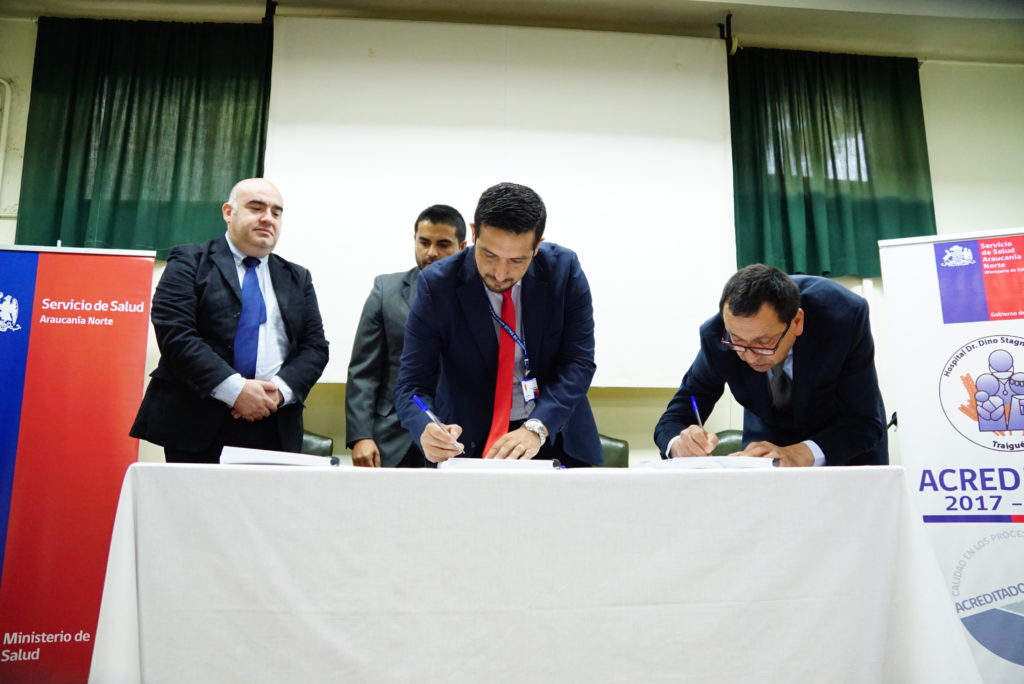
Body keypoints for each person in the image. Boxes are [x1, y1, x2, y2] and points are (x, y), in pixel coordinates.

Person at [394, 182, 602, 467]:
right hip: (469, 442)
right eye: (489, 255)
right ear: (474, 233)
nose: (501, 273)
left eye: (517, 260)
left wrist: (537, 427)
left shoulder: (563, 271)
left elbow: (578, 362)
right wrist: (425, 426)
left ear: (537, 247)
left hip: (553, 433)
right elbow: (412, 385)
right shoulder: (438, 285)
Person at [130, 178, 329, 463]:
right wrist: (235, 391)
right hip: (196, 422)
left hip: (274, 422)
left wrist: (278, 393)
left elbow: (315, 348)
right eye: (256, 208)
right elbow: (176, 335)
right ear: (228, 212)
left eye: (276, 212)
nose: (268, 218)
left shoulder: (297, 277)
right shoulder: (189, 261)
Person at [654, 264, 887, 466]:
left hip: (845, 448)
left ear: (797, 322)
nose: (750, 357)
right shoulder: (717, 336)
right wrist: (679, 443)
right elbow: (676, 415)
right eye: (738, 341)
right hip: (766, 452)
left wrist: (801, 453)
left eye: (763, 343)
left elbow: (863, 421)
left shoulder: (842, 318)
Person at [345, 205, 467, 467]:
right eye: (424, 242)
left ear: (463, 247)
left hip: (457, 437)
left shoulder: (479, 297)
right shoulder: (385, 290)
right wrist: (361, 435)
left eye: (443, 244)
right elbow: (364, 372)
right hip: (392, 438)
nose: (431, 252)